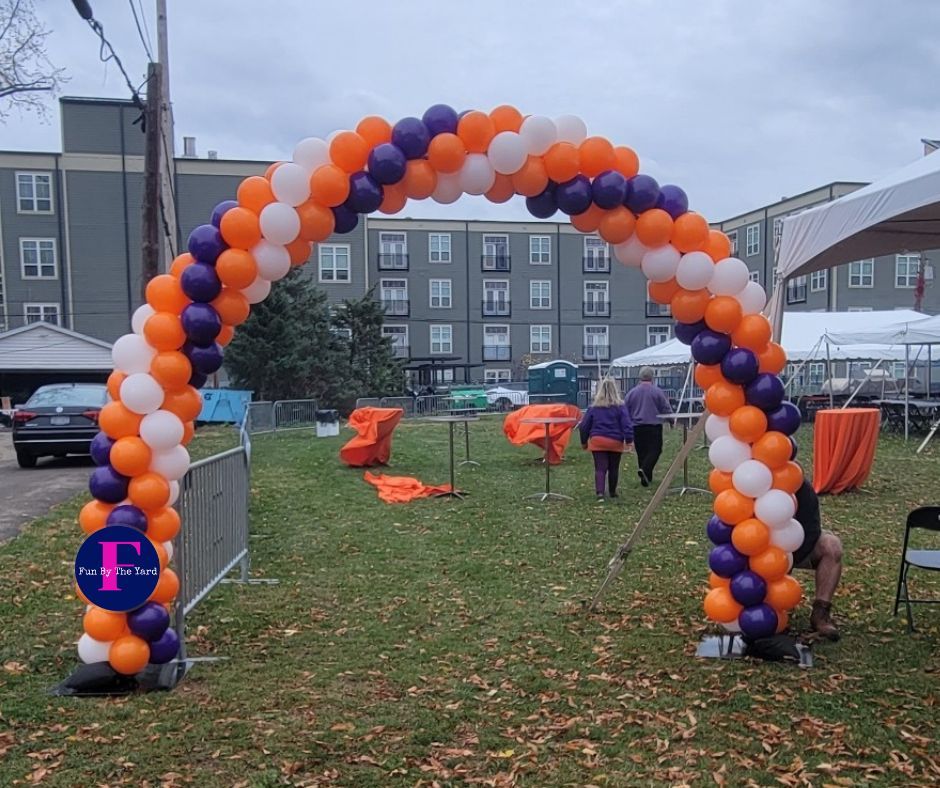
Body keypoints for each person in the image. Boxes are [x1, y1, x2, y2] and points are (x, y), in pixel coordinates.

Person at [792, 479, 844, 640]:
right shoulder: (748, 482)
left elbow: (811, 531)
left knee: (831, 546)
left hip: (796, 548)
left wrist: (787, 559)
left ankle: (820, 614)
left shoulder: (801, 489)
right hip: (756, 550)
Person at [578, 378, 634, 502]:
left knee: (600, 468)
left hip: (598, 440)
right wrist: (629, 440)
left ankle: (600, 493)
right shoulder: (620, 407)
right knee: (614, 467)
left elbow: (584, 426)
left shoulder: (593, 408)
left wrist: (584, 442)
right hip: (615, 440)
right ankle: (613, 492)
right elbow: (627, 424)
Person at [624, 367, 673, 487]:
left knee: (642, 452)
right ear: (652, 377)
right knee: (655, 449)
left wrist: (627, 424)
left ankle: (646, 478)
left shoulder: (632, 393)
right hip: (654, 425)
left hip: (637, 426)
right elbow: (665, 407)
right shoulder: (657, 392)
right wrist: (671, 419)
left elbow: (625, 410)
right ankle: (645, 470)